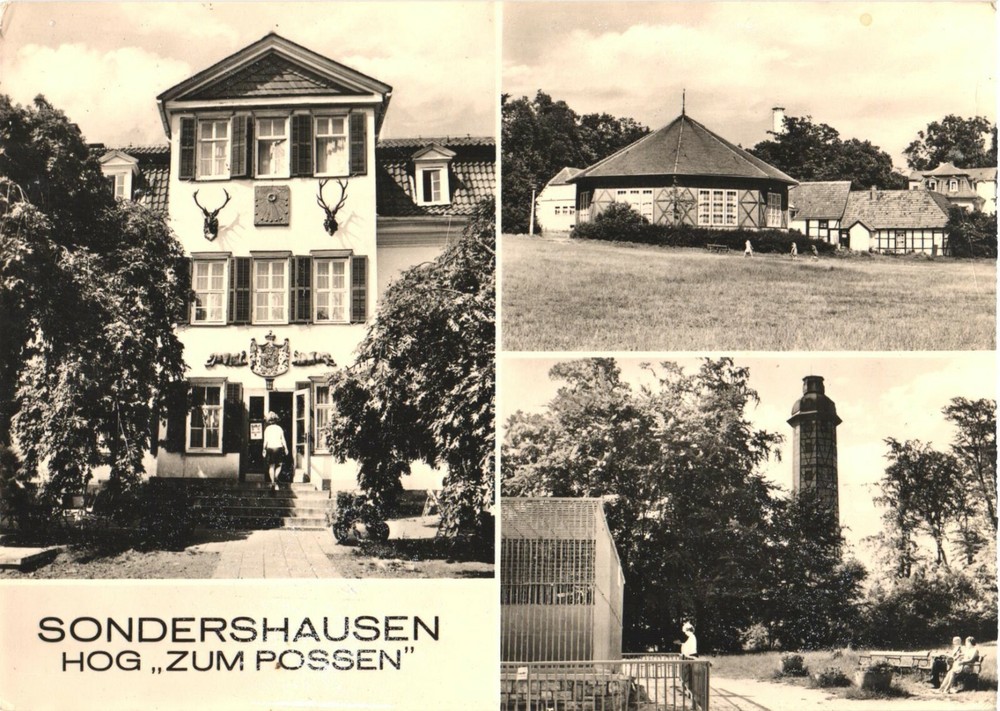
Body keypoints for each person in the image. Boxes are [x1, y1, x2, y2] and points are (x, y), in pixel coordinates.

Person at [262, 411, 288, 487]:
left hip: (270, 448)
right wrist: (286, 448)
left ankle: (273, 482)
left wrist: (263, 449)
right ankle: (276, 477)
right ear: (276, 420)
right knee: (279, 464)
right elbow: (283, 439)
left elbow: (265, 441)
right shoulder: (279, 428)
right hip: (278, 448)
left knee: (271, 466)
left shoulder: (267, 429)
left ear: (269, 420)